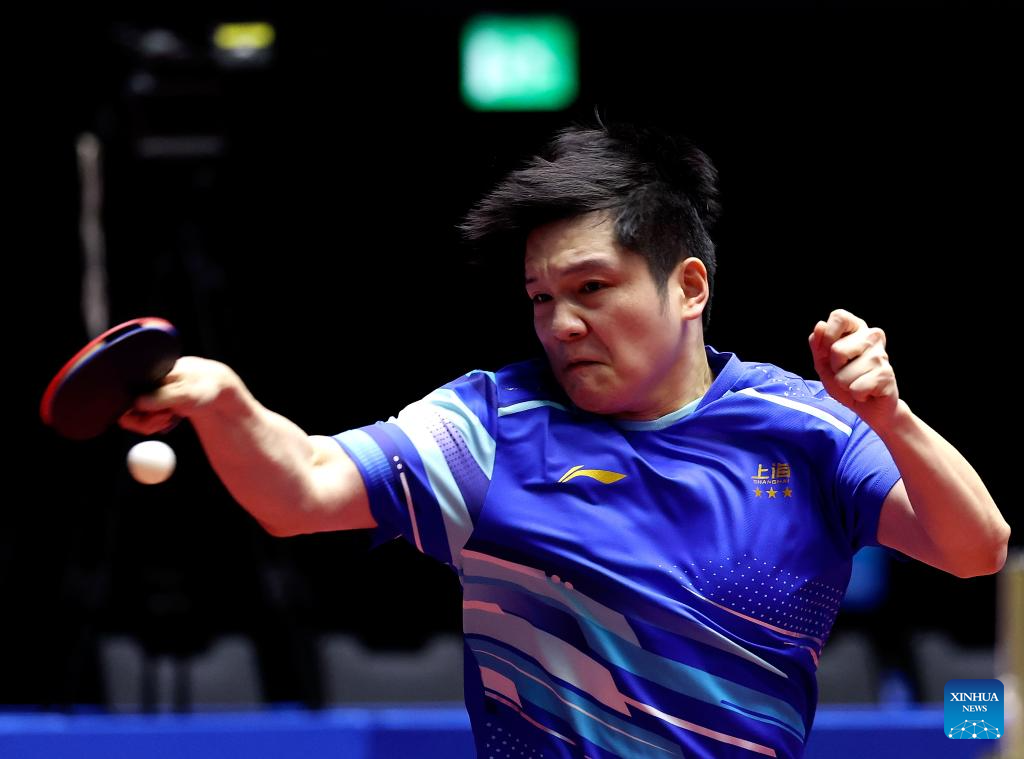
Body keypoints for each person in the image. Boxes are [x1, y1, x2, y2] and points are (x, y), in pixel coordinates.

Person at [120, 121, 1010, 759]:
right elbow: (302, 489)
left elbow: (976, 549)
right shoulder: (491, 426)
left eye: (592, 288)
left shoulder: (805, 427)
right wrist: (225, 402)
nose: (562, 323)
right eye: (542, 298)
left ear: (688, 286)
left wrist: (890, 416)